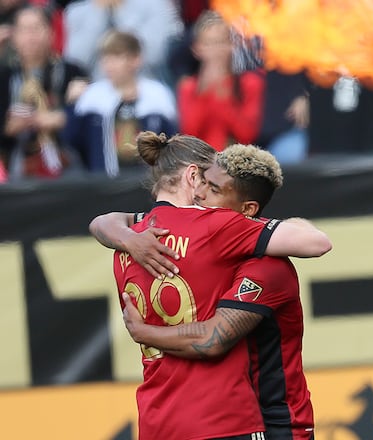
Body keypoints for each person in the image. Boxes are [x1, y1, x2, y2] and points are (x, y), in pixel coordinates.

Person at [90, 131, 330, 440]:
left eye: (213, 188)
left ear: (248, 210)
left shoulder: (132, 238)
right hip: (226, 420)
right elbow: (317, 242)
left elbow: (103, 222)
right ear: (192, 176)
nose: (203, 195)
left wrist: (127, 240)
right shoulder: (214, 230)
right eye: (206, 182)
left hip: (157, 419)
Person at [66, 31, 177, 176]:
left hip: (149, 183)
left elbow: (172, 141)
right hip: (104, 183)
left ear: (136, 59)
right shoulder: (92, 96)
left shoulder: (157, 94)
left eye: (116, 57)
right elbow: (72, 139)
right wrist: (71, 105)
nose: (109, 64)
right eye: (105, 58)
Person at [0, 6, 87, 180]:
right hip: (16, 165)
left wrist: (61, 117)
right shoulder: (5, 76)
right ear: (14, 36)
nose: (30, 37)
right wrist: (8, 127)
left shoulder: (72, 72)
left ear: (51, 33)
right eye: (23, 30)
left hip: (67, 164)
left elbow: (86, 122)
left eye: (36, 29)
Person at [177, 11, 263, 152]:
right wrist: (204, 91)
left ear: (232, 45)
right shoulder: (188, 87)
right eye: (209, 44)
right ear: (197, 49)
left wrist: (222, 96)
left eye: (221, 42)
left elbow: (247, 135)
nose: (216, 50)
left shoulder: (250, 83)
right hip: (200, 161)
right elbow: (189, 133)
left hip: (236, 161)